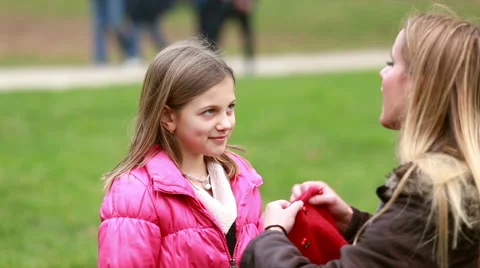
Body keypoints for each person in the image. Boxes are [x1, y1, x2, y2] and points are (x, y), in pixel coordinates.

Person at [240, 8, 480, 268]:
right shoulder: (460, 181)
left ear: (419, 85)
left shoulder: (433, 193)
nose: (382, 73)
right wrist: (352, 221)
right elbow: (412, 254)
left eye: (392, 64)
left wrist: (272, 236)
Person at [97, 38, 264, 267]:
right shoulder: (137, 194)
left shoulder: (242, 179)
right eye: (209, 112)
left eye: (230, 108)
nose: (226, 123)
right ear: (168, 117)